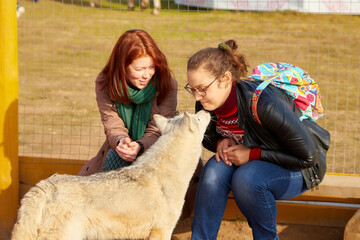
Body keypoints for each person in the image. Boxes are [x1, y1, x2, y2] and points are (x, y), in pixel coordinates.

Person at [185, 40, 328, 240]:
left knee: (247, 179)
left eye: (201, 89)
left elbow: (308, 157)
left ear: (225, 78)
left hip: (299, 168)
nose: (197, 97)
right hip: (254, 162)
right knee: (213, 169)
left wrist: (252, 154)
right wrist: (219, 142)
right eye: (192, 89)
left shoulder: (263, 105)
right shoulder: (206, 102)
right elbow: (207, 137)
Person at [78, 29, 178, 175]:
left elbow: (159, 128)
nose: (147, 75)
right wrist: (122, 141)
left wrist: (140, 146)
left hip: (157, 148)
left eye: (151, 67)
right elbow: (112, 124)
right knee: (114, 158)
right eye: (139, 69)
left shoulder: (167, 84)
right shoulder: (105, 84)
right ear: (122, 67)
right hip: (122, 147)